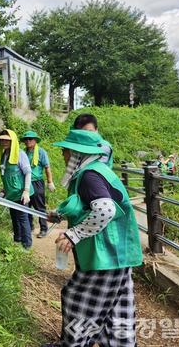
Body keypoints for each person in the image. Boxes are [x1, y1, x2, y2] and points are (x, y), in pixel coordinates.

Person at [43, 129, 142, 347]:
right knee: (117, 309)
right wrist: (61, 215)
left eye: (66, 151)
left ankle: (74, 343)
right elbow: (88, 206)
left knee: (78, 299)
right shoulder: (97, 171)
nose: (63, 156)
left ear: (77, 154)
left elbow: (105, 210)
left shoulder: (90, 176)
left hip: (105, 257)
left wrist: (75, 234)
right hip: (118, 255)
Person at [0, 129, 34, 249]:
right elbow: (7, 174)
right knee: (14, 217)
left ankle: (27, 245)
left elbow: (28, 172)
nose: (4, 142)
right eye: (2, 140)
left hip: (21, 193)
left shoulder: (20, 154)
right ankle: (17, 240)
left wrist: (26, 191)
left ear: (13, 141)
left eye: (7, 140)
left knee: (23, 218)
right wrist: (4, 190)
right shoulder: (4, 155)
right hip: (11, 193)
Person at [20, 130, 56, 238]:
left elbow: (47, 167)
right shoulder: (23, 153)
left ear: (35, 140)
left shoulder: (41, 152)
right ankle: (29, 227)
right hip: (25, 182)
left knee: (39, 207)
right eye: (26, 139)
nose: (28, 141)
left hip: (37, 182)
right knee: (26, 205)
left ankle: (44, 229)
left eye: (30, 139)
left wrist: (50, 182)